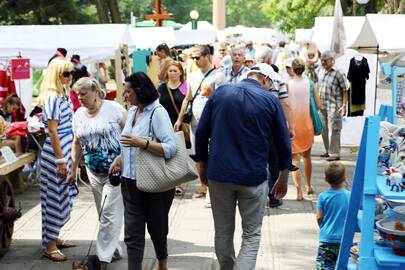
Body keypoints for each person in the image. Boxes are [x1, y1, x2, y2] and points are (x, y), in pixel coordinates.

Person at [195, 63, 292, 270]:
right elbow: (283, 141)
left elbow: (202, 132)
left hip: (219, 174)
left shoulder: (220, 93)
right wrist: (284, 175)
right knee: (252, 234)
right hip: (253, 177)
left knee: (222, 231)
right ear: (265, 80)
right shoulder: (270, 101)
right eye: (271, 85)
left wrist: (202, 164)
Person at [109, 72, 176, 270]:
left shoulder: (158, 112)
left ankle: (162, 262)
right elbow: (129, 144)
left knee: (157, 229)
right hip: (129, 182)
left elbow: (171, 148)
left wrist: (143, 143)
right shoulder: (131, 112)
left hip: (155, 183)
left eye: (128, 91)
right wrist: (120, 158)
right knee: (132, 234)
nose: (125, 95)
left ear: (140, 91)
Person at [67, 78, 126, 270]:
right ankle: (114, 249)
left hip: (115, 171)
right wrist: (73, 169)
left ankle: (102, 260)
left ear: (96, 92)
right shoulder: (78, 114)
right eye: (77, 94)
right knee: (103, 214)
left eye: (84, 93)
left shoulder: (113, 108)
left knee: (109, 213)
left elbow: (130, 133)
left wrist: (125, 158)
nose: (80, 97)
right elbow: (76, 143)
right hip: (92, 172)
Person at [38, 57, 78, 262]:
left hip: (64, 152)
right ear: (57, 75)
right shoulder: (53, 97)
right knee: (53, 197)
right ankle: (50, 245)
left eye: (71, 73)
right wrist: (60, 160)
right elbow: (52, 132)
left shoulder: (63, 94)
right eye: (66, 73)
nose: (70, 77)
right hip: (57, 154)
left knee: (62, 195)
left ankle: (54, 236)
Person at [174, 45, 224, 199]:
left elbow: (225, 100)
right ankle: (204, 186)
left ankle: (213, 192)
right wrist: (180, 118)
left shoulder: (218, 76)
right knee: (200, 157)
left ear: (207, 56)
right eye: (193, 58)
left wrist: (212, 93)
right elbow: (187, 97)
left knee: (214, 156)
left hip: (214, 123)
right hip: (195, 123)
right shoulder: (192, 76)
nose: (195, 60)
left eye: (197, 57)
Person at [287, 58, 321, 200]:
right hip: (307, 125)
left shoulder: (287, 84)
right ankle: (308, 186)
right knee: (307, 157)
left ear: (292, 70)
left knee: (295, 159)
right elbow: (318, 105)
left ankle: (299, 192)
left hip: (293, 126)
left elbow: (285, 105)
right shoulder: (311, 84)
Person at [316, 161, 350, 270]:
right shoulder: (350, 196)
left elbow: (319, 217)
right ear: (344, 179)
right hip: (344, 238)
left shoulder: (323, 196)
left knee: (324, 266)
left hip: (326, 239)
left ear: (326, 179)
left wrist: (323, 226)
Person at [318, 51, 349, 161]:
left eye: (325, 60)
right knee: (323, 128)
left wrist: (344, 105)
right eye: (322, 60)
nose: (323, 62)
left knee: (335, 129)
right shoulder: (321, 71)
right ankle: (328, 151)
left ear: (332, 60)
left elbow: (345, 89)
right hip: (322, 105)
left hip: (334, 105)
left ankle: (335, 153)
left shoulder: (338, 72)